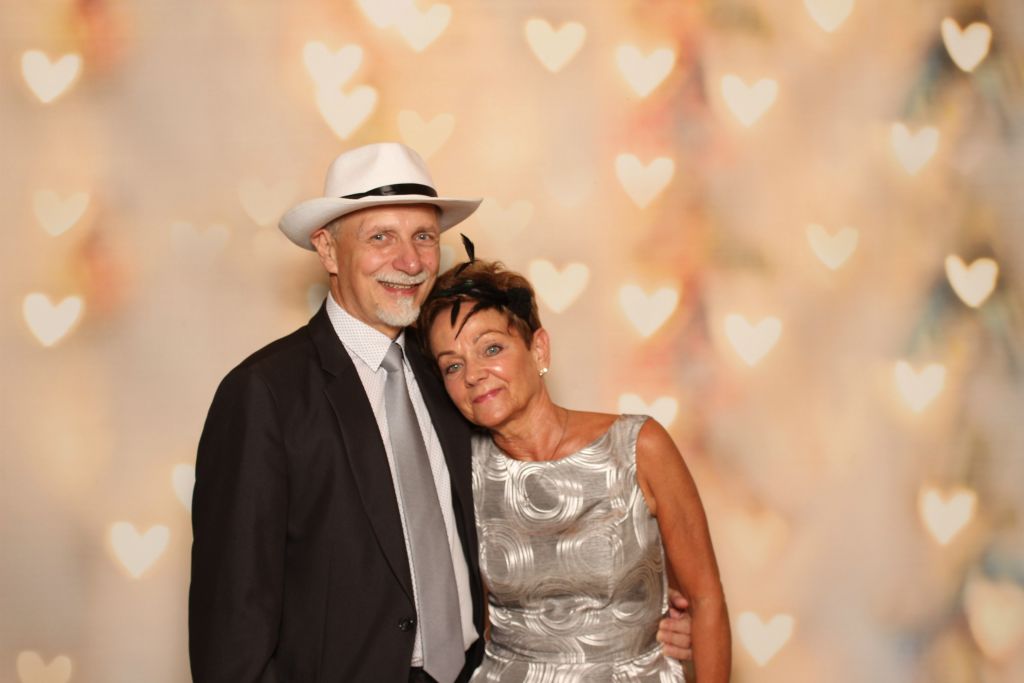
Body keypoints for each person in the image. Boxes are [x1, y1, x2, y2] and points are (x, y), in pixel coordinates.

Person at [188, 142, 693, 682]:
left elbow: (529, 506)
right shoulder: (264, 395)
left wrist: (639, 610)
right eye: (380, 237)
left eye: (424, 237)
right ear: (329, 251)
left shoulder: (452, 374)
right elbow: (230, 633)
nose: (410, 262)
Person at [418, 257, 731, 682]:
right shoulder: (458, 471)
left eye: (491, 348)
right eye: (453, 365)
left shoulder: (638, 447)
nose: (473, 374)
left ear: (539, 349)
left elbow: (706, 599)